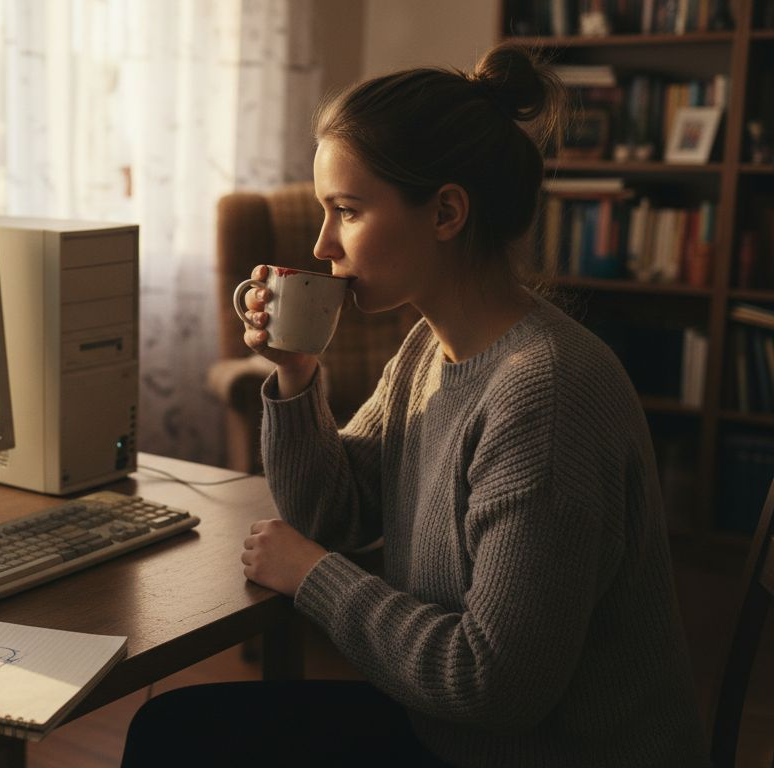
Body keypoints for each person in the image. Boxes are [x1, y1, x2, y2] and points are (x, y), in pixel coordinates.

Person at [121, 43, 709, 767]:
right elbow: (330, 515)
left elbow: (494, 685)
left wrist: (313, 576)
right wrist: (297, 373)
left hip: (543, 753)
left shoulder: (546, 393)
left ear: (447, 213)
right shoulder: (431, 350)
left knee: (175, 742)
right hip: (453, 734)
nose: (322, 243)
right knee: (172, 731)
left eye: (347, 211)